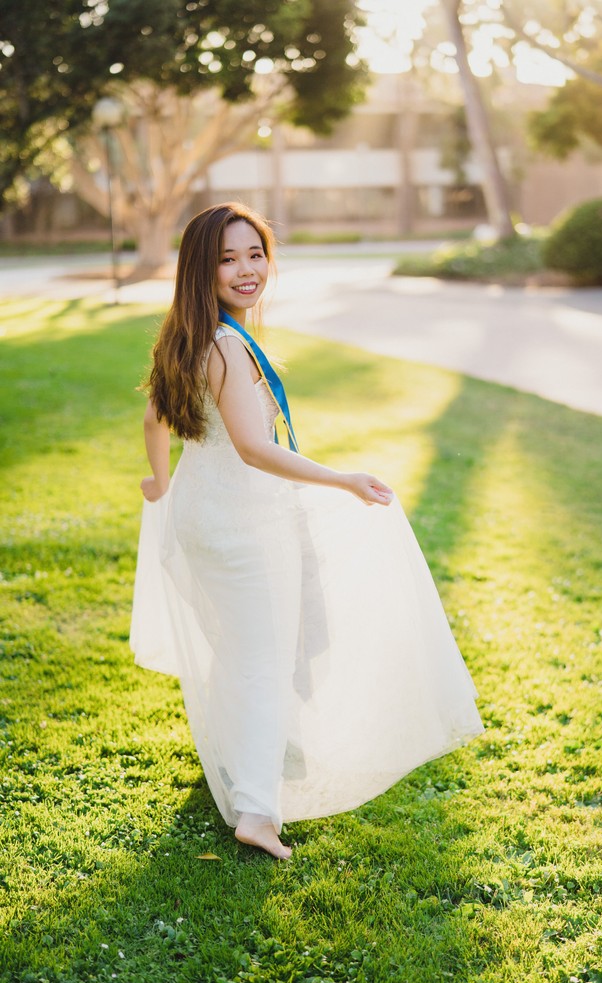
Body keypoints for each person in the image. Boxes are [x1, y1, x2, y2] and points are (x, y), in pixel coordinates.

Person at [130, 202, 484, 861]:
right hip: (241, 521)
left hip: (204, 513)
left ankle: (247, 763)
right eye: (227, 259)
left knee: (246, 652)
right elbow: (253, 449)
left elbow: (155, 421)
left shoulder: (186, 336)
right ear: (199, 270)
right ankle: (258, 810)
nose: (245, 270)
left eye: (255, 254)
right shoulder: (229, 346)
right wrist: (343, 478)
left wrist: (160, 483)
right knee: (265, 661)